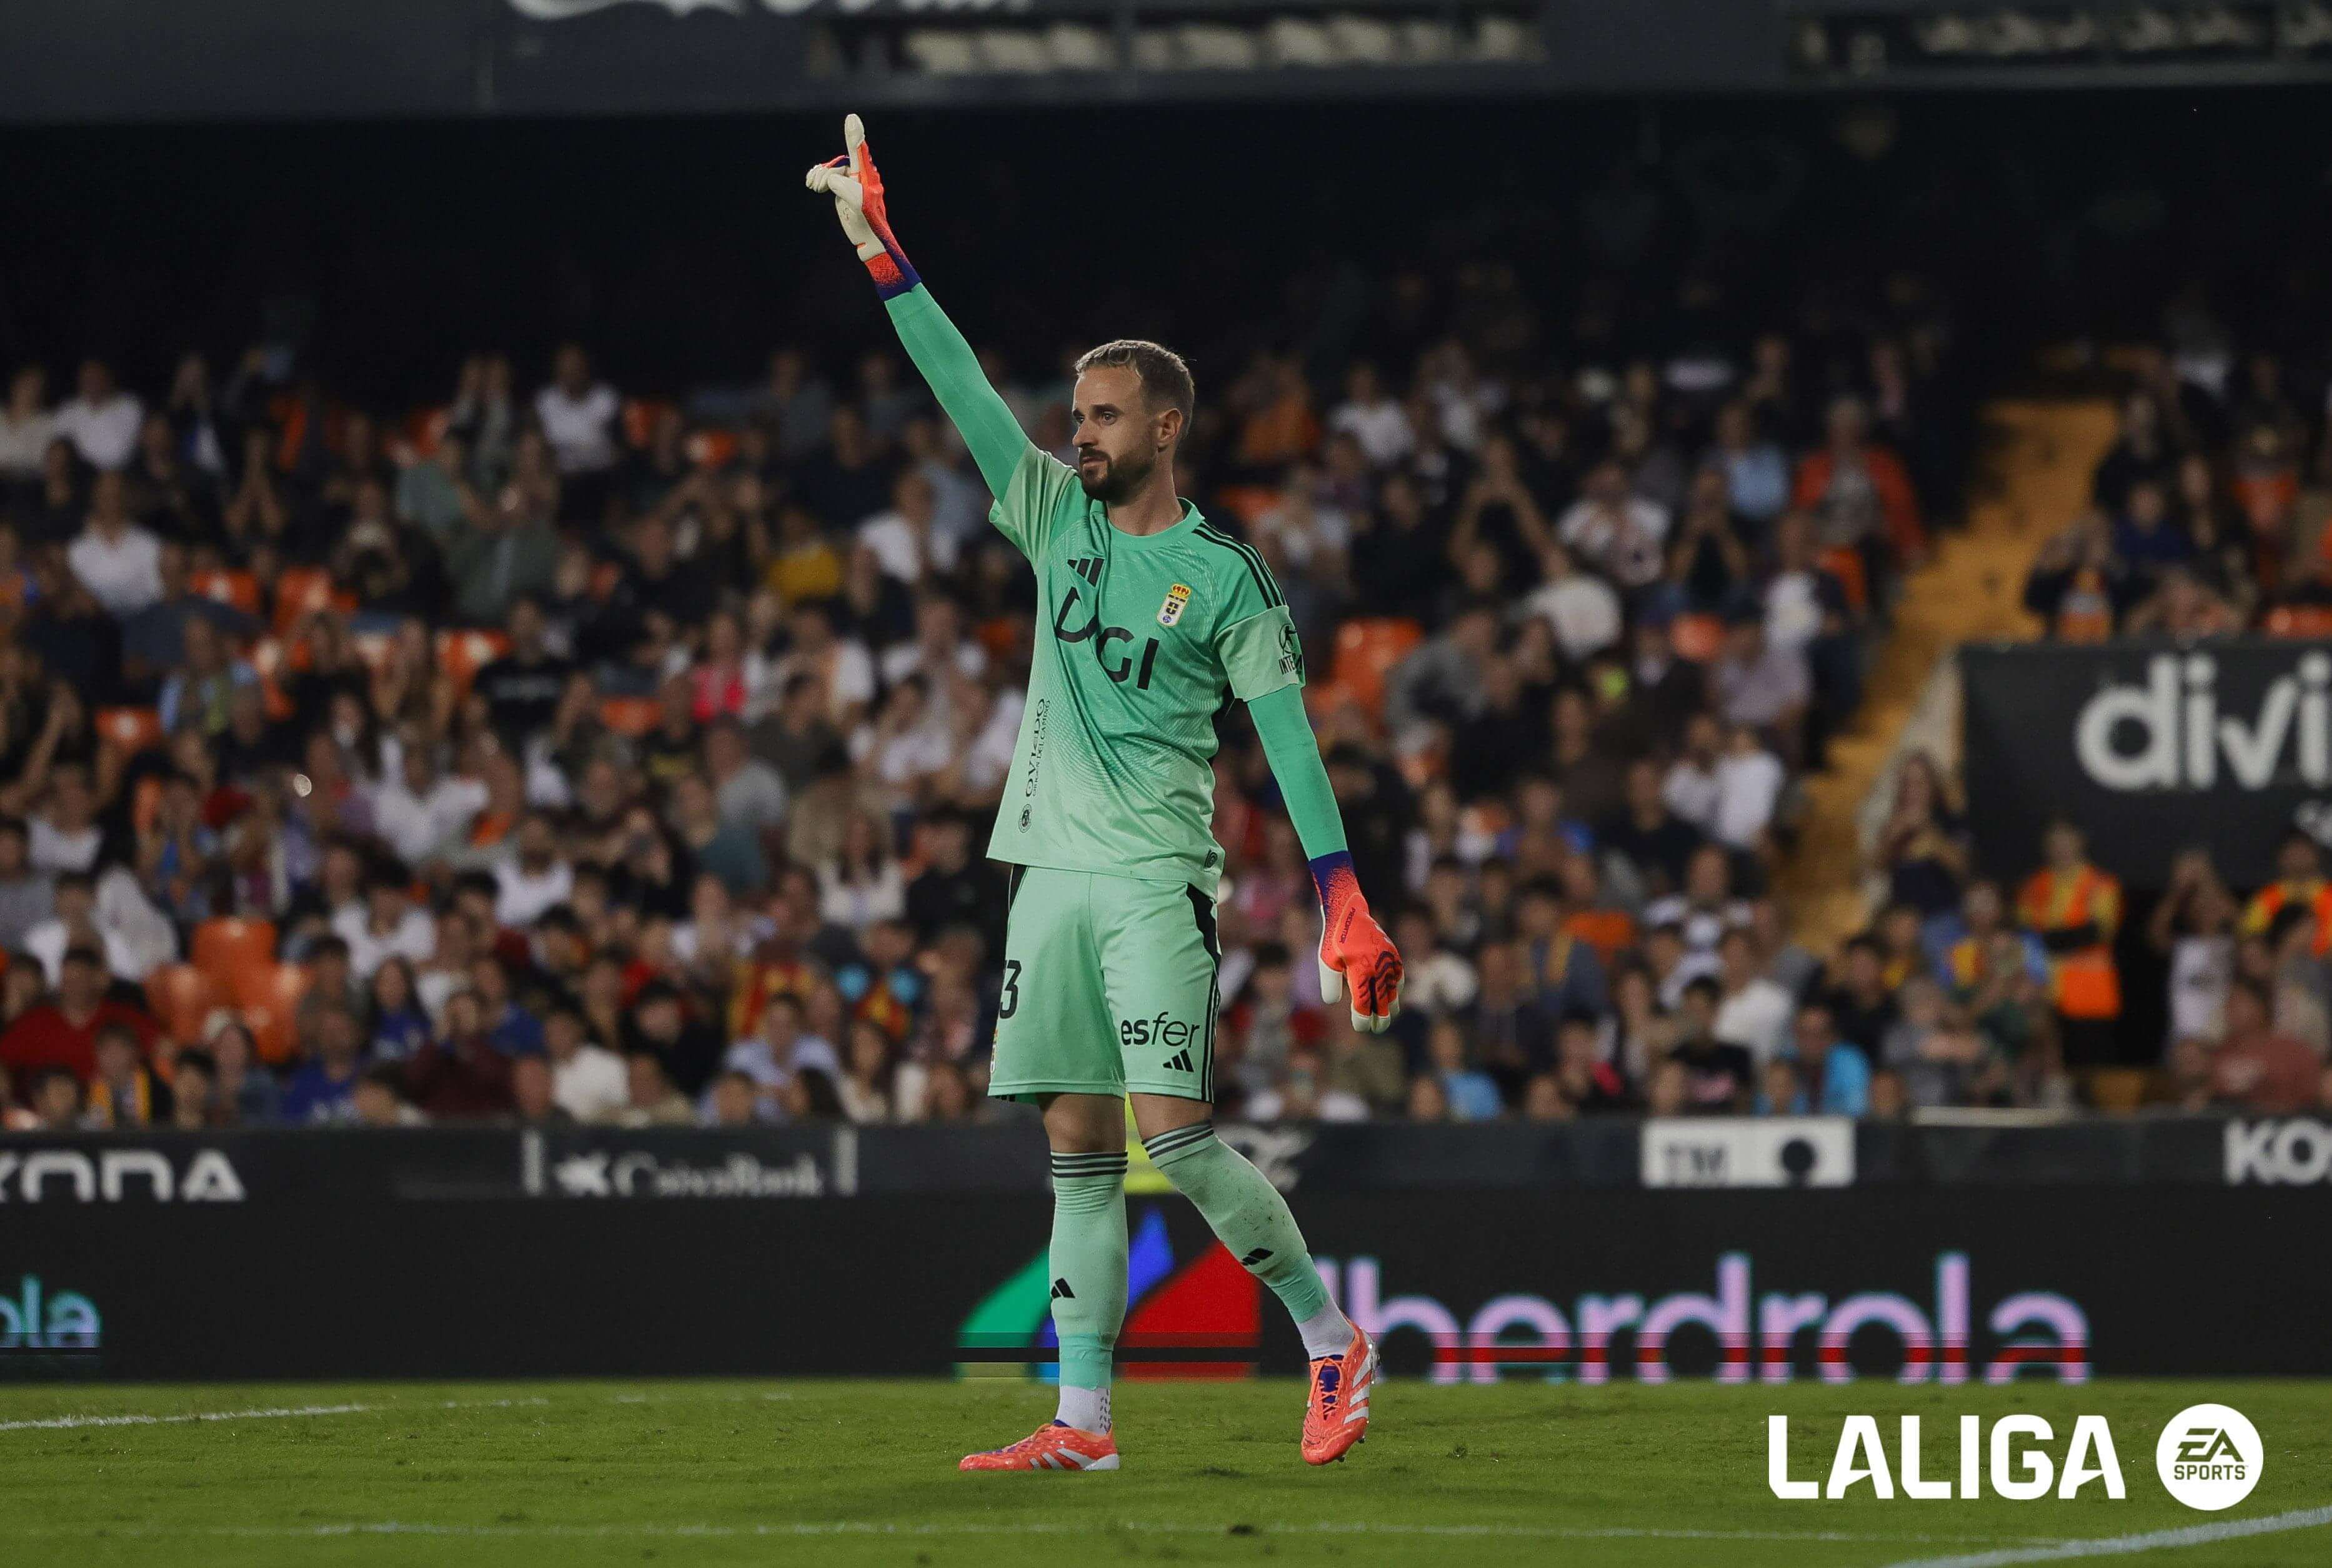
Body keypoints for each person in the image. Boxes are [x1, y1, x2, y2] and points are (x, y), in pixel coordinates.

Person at [809, 116, 1402, 1472]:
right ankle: (1084, 1423)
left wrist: (1340, 894)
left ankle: (1328, 1337)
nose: (1076, 433)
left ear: (1168, 427)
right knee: (1077, 1154)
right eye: (1073, 413)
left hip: (1151, 880)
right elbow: (955, 382)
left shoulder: (1231, 578)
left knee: (1176, 1139)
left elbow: (1291, 744)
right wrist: (879, 251)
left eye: (1103, 414)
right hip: (1048, 876)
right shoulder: (1050, 516)